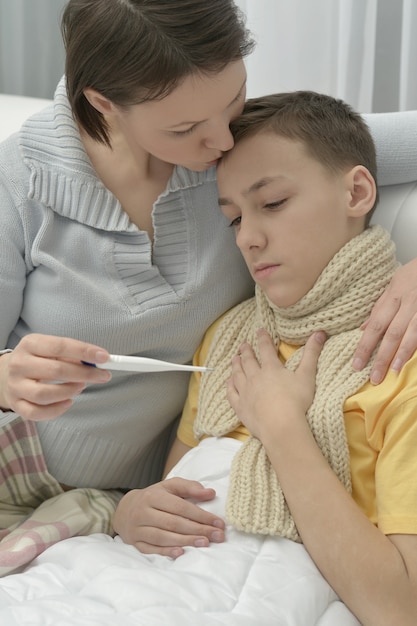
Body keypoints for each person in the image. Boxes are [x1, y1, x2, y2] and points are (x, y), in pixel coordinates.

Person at [0, 0, 416, 553]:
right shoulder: (19, 186)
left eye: (234, 98)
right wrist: (7, 378)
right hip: (23, 479)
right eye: (186, 128)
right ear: (104, 104)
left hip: (158, 498)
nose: (222, 140)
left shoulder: (249, 153)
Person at [115, 92, 417, 624]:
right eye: (232, 219)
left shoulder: (401, 359)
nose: (248, 239)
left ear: (358, 191)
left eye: (272, 203)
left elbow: (401, 608)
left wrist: (280, 427)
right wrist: (130, 512)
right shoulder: (228, 338)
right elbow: (174, 496)